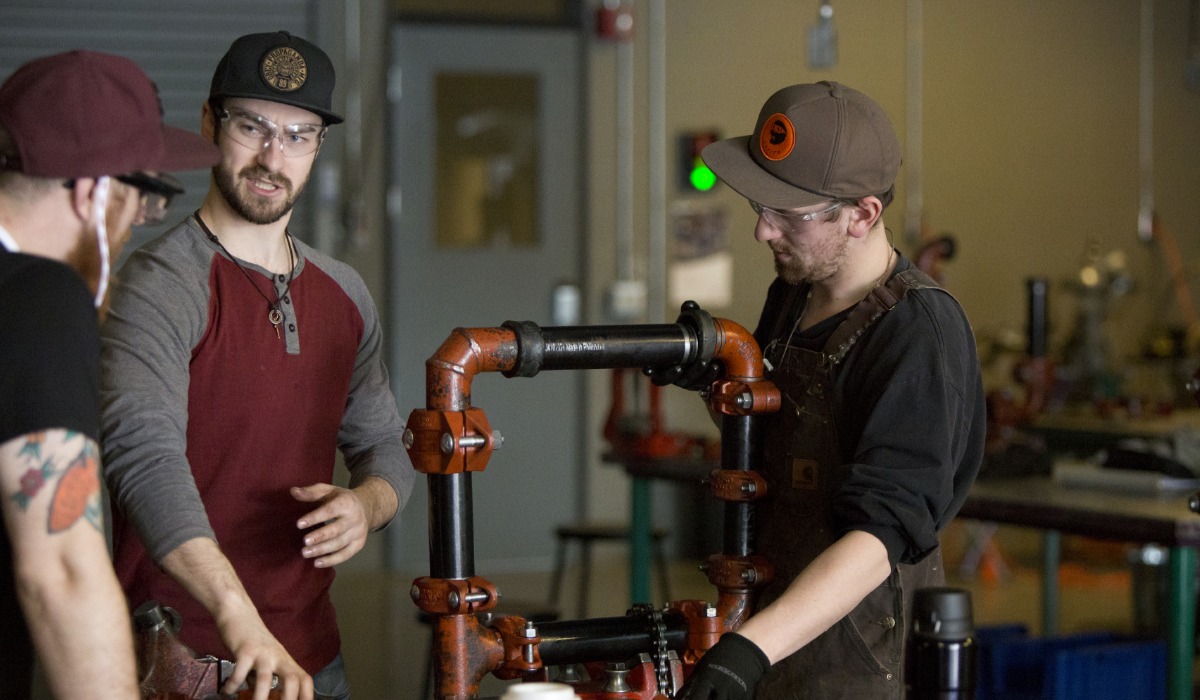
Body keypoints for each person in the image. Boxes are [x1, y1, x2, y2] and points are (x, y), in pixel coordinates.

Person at [99, 31, 414, 700]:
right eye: (253, 127)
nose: (274, 156)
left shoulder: (345, 293)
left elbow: (384, 442)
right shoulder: (160, 284)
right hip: (180, 664)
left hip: (310, 659)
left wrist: (367, 503)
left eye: (299, 135)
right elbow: (145, 458)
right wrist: (239, 620)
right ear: (210, 124)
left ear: (317, 148)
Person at [668, 81, 986, 699]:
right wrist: (717, 388)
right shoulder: (792, 293)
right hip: (775, 618)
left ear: (863, 214)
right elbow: (784, 438)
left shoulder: (918, 332)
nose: (763, 232)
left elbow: (877, 539)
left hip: (857, 653)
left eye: (787, 214)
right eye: (760, 205)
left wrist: (747, 651)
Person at [0, 50, 218, 699]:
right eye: (142, 201)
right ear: (96, 191)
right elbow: (61, 566)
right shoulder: (40, 297)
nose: (133, 228)